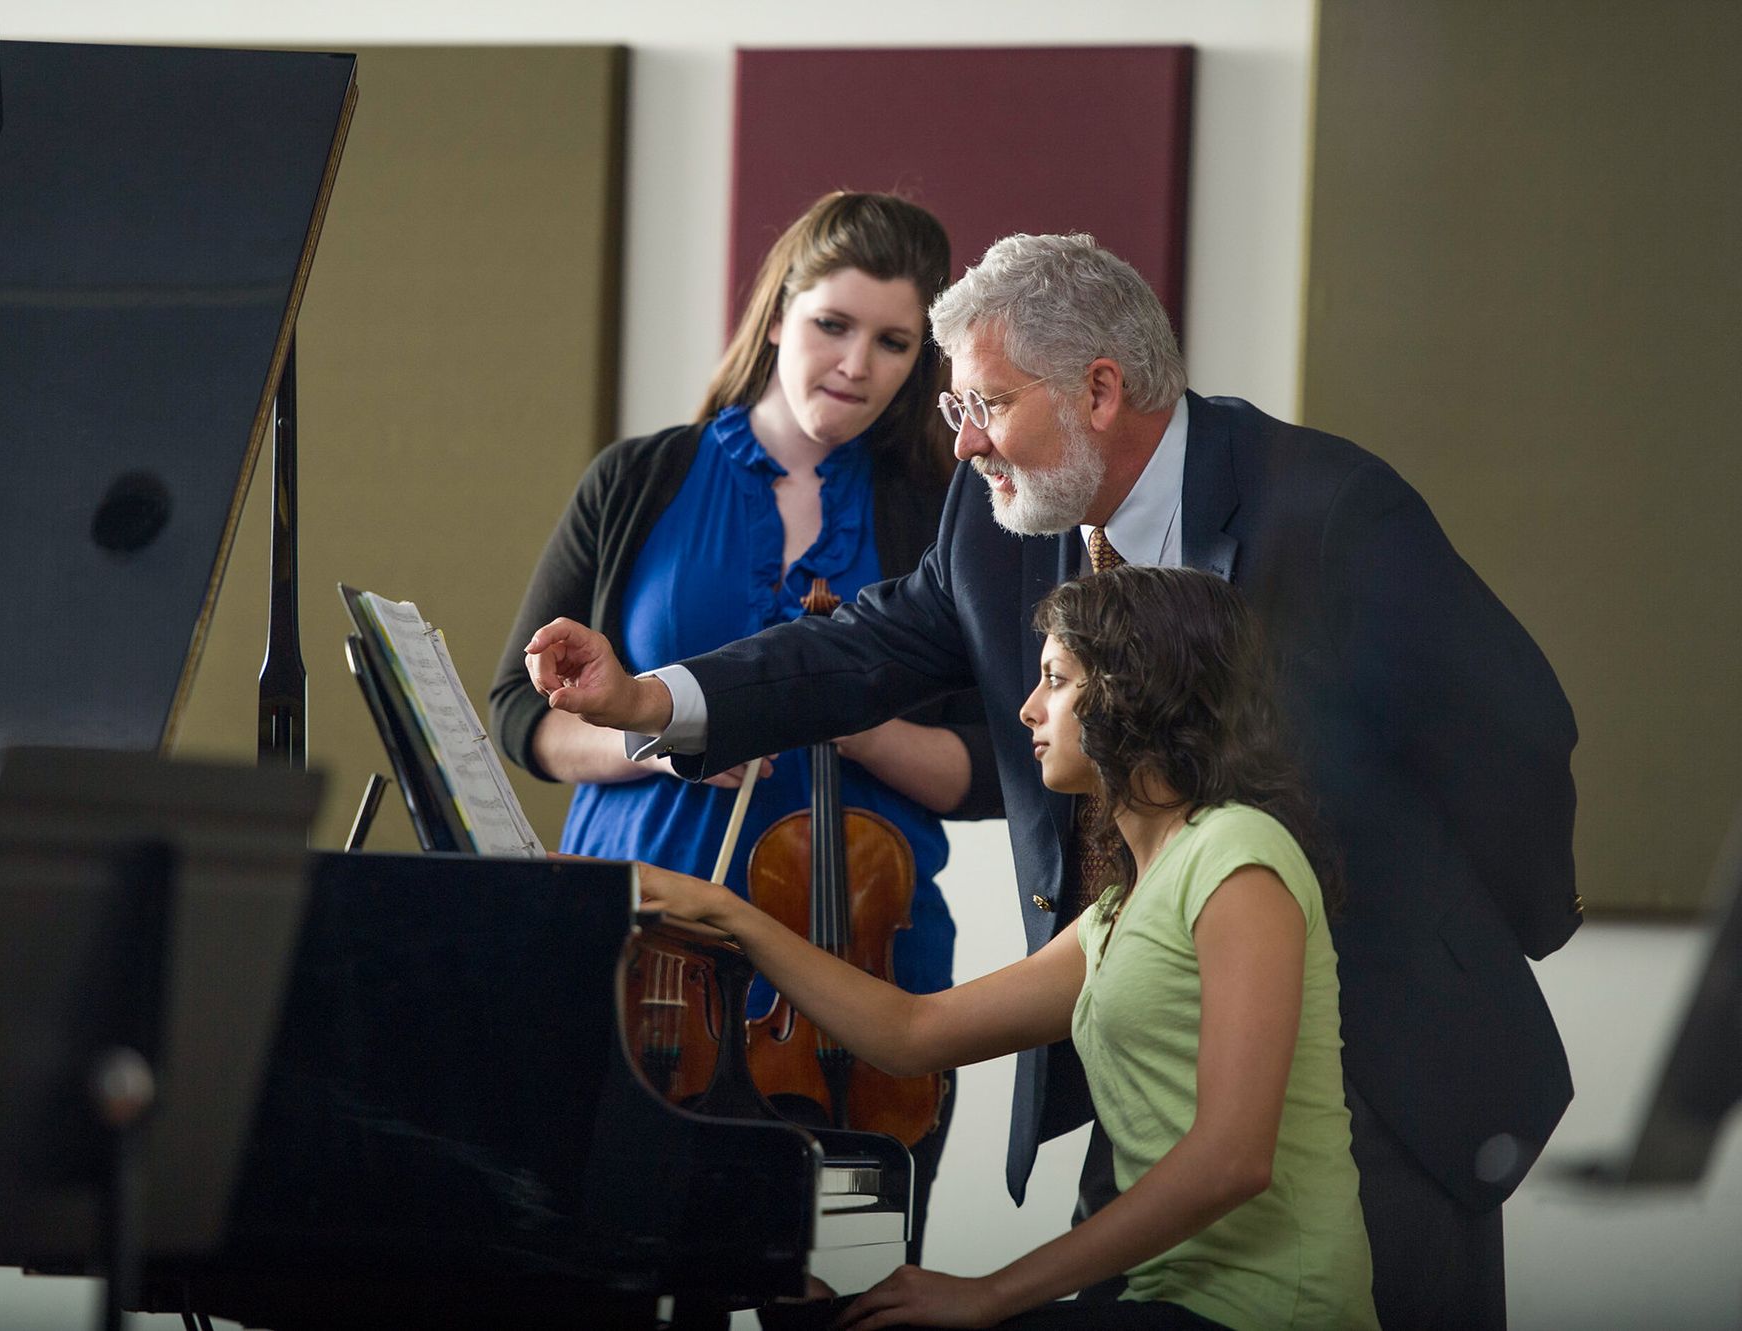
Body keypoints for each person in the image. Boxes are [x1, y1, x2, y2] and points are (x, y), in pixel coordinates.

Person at [524, 233, 1581, 1328]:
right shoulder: (1001, 523)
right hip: (1132, 1043)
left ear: (1101, 389)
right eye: (953, 411)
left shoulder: (1330, 508)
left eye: (983, 402)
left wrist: (1475, 928)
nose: (966, 440)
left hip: (1385, 1065)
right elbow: (862, 648)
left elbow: (1512, 729)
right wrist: (651, 702)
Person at [642, 567, 1378, 1331]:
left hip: (1269, 1311)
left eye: (1055, 681)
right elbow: (911, 1034)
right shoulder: (1117, 911)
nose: (1027, 709)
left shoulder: (1237, 852)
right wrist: (732, 914)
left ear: (1136, 693)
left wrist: (989, 1291)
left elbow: (1233, 1158)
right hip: (1170, 1301)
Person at [489, 192, 1000, 1261]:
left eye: (893, 341)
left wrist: (845, 718)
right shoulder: (640, 478)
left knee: (844, 1280)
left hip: (862, 956)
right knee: (597, 1264)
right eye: (832, 324)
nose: (857, 363)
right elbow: (520, 713)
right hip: (643, 943)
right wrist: (660, 733)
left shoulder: (945, 507)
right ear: (777, 314)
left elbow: (991, 767)